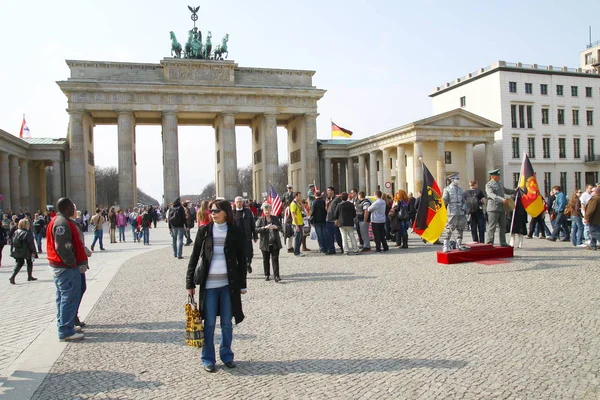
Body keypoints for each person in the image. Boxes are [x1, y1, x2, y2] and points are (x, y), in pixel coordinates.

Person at [186, 199, 247, 373]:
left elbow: (241, 260)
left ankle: (227, 355)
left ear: (226, 213)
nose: (212, 213)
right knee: (210, 323)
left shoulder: (235, 232)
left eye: (216, 210)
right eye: (211, 211)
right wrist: (189, 282)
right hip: (209, 285)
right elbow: (194, 257)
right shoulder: (204, 231)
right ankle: (208, 358)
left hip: (228, 285)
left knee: (227, 323)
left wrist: (243, 284)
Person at [47, 197, 88, 341]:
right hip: (66, 267)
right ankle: (65, 331)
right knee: (68, 298)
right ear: (67, 207)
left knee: (64, 297)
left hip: (64, 266)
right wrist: (72, 263)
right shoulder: (62, 223)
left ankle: (66, 325)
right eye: (71, 206)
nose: (73, 209)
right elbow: (63, 247)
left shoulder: (62, 221)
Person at [485, 169, 516, 247]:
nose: (499, 177)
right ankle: (489, 242)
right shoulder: (489, 185)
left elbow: (506, 191)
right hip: (493, 208)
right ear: (492, 176)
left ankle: (503, 242)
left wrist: (515, 190)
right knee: (492, 227)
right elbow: (491, 195)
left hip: (501, 208)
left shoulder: (500, 184)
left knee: (503, 226)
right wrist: (502, 199)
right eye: (497, 175)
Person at [255, 203, 283, 281]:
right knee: (265, 260)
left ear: (271, 210)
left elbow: (281, 227)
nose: (267, 211)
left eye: (268, 210)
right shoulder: (260, 219)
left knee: (275, 259)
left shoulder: (275, 218)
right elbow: (256, 229)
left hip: (274, 242)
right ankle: (266, 275)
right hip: (265, 243)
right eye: (265, 210)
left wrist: (276, 227)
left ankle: (276, 276)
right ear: (263, 211)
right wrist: (264, 227)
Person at [441, 173, 469, 252]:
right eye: (456, 179)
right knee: (449, 229)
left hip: (460, 211)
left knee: (460, 228)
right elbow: (444, 200)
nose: (458, 180)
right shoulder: (447, 189)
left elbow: (463, 200)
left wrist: (465, 209)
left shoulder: (460, 189)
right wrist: (442, 204)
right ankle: (446, 245)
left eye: (458, 179)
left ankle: (459, 244)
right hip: (452, 212)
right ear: (452, 179)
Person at [9, 218, 38, 284]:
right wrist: (34, 251)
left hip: (18, 249)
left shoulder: (16, 231)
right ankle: (29, 276)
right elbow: (31, 243)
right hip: (27, 250)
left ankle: (13, 276)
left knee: (19, 263)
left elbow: (13, 241)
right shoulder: (27, 232)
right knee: (29, 262)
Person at [233, 196, 258, 270]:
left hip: (247, 235)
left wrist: (255, 235)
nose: (239, 203)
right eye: (237, 202)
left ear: (242, 202)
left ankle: (248, 263)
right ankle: (240, 266)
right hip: (237, 237)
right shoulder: (232, 212)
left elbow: (252, 223)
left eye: (240, 201)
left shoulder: (248, 211)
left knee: (249, 253)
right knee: (238, 253)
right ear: (235, 203)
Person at [325, 187, 343, 254]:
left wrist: (337, 219)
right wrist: (326, 204)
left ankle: (342, 247)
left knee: (338, 236)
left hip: (335, 220)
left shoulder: (337, 199)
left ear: (333, 191)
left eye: (329, 190)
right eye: (327, 191)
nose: (328, 192)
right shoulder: (328, 199)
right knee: (329, 236)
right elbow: (327, 210)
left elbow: (339, 210)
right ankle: (331, 249)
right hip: (328, 220)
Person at [289, 192, 306, 257]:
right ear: (295, 196)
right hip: (296, 223)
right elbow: (293, 215)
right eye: (299, 196)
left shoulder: (297, 203)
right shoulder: (293, 204)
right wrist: (296, 225)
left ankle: (298, 251)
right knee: (297, 238)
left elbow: (302, 209)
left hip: (300, 222)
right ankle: (296, 252)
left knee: (300, 238)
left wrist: (301, 203)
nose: (300, 197)